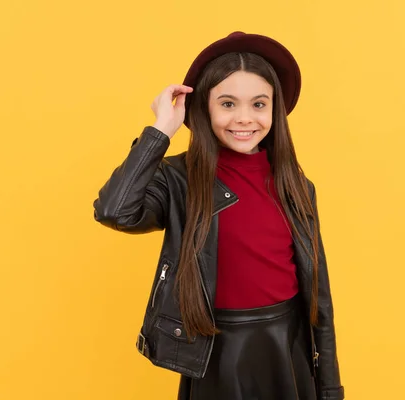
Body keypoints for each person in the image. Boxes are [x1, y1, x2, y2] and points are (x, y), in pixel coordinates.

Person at [93, 31, 345, 400]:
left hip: (287, 350)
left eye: (259, 104)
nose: (244, 118)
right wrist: (161, 129)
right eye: (228, 104)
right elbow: (115, 212)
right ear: (205, 108)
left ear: (275, 109)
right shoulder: (179, 179)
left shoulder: (295, 185)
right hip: (217, 354)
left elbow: (319, 300)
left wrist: (330, 387)